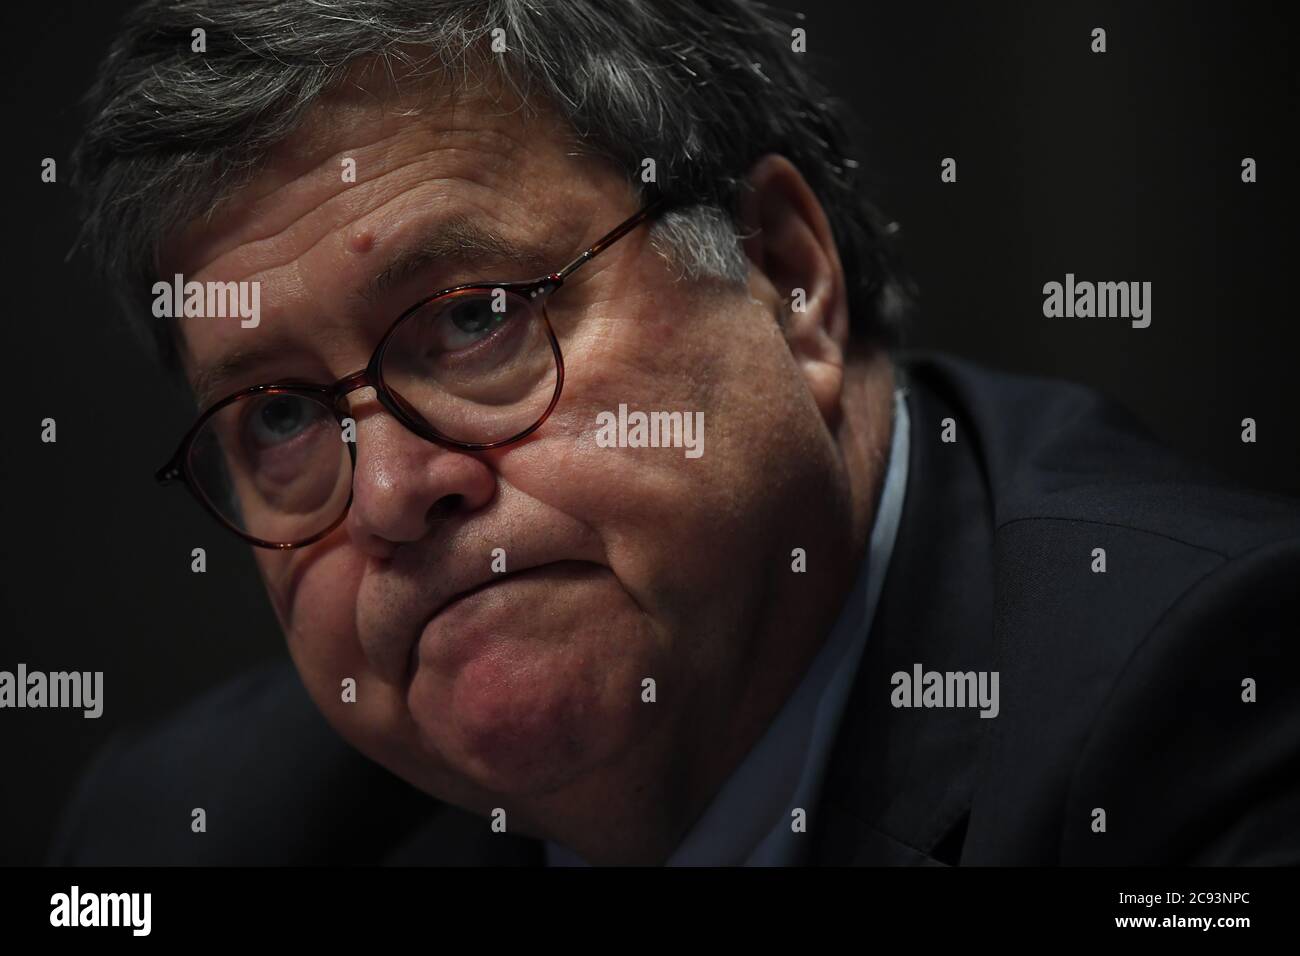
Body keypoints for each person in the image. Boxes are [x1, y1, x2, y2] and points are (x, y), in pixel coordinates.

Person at [50, 0, 1300, 866]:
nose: (387, 494)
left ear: (784, 273)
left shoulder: (1204, 707)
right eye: (278, 412)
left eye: (474, 317)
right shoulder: (183, 829)